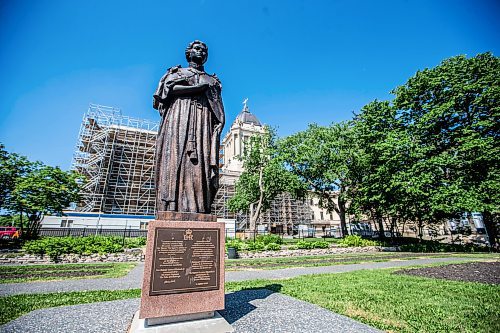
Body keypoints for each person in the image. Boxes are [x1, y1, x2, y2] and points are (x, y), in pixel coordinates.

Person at [153, 40, 225, 214]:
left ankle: (197, 207)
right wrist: (197, 88)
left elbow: (218, 108)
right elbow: (165, 92)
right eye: (197, 49)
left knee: (199, 163)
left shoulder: (212, 80)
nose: (200, 52)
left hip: (202, 123)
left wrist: (219, 124)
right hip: (179, 118)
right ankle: (171, 206)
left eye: (204, 50)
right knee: (175, 158)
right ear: (189, 52)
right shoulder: (176, 72)